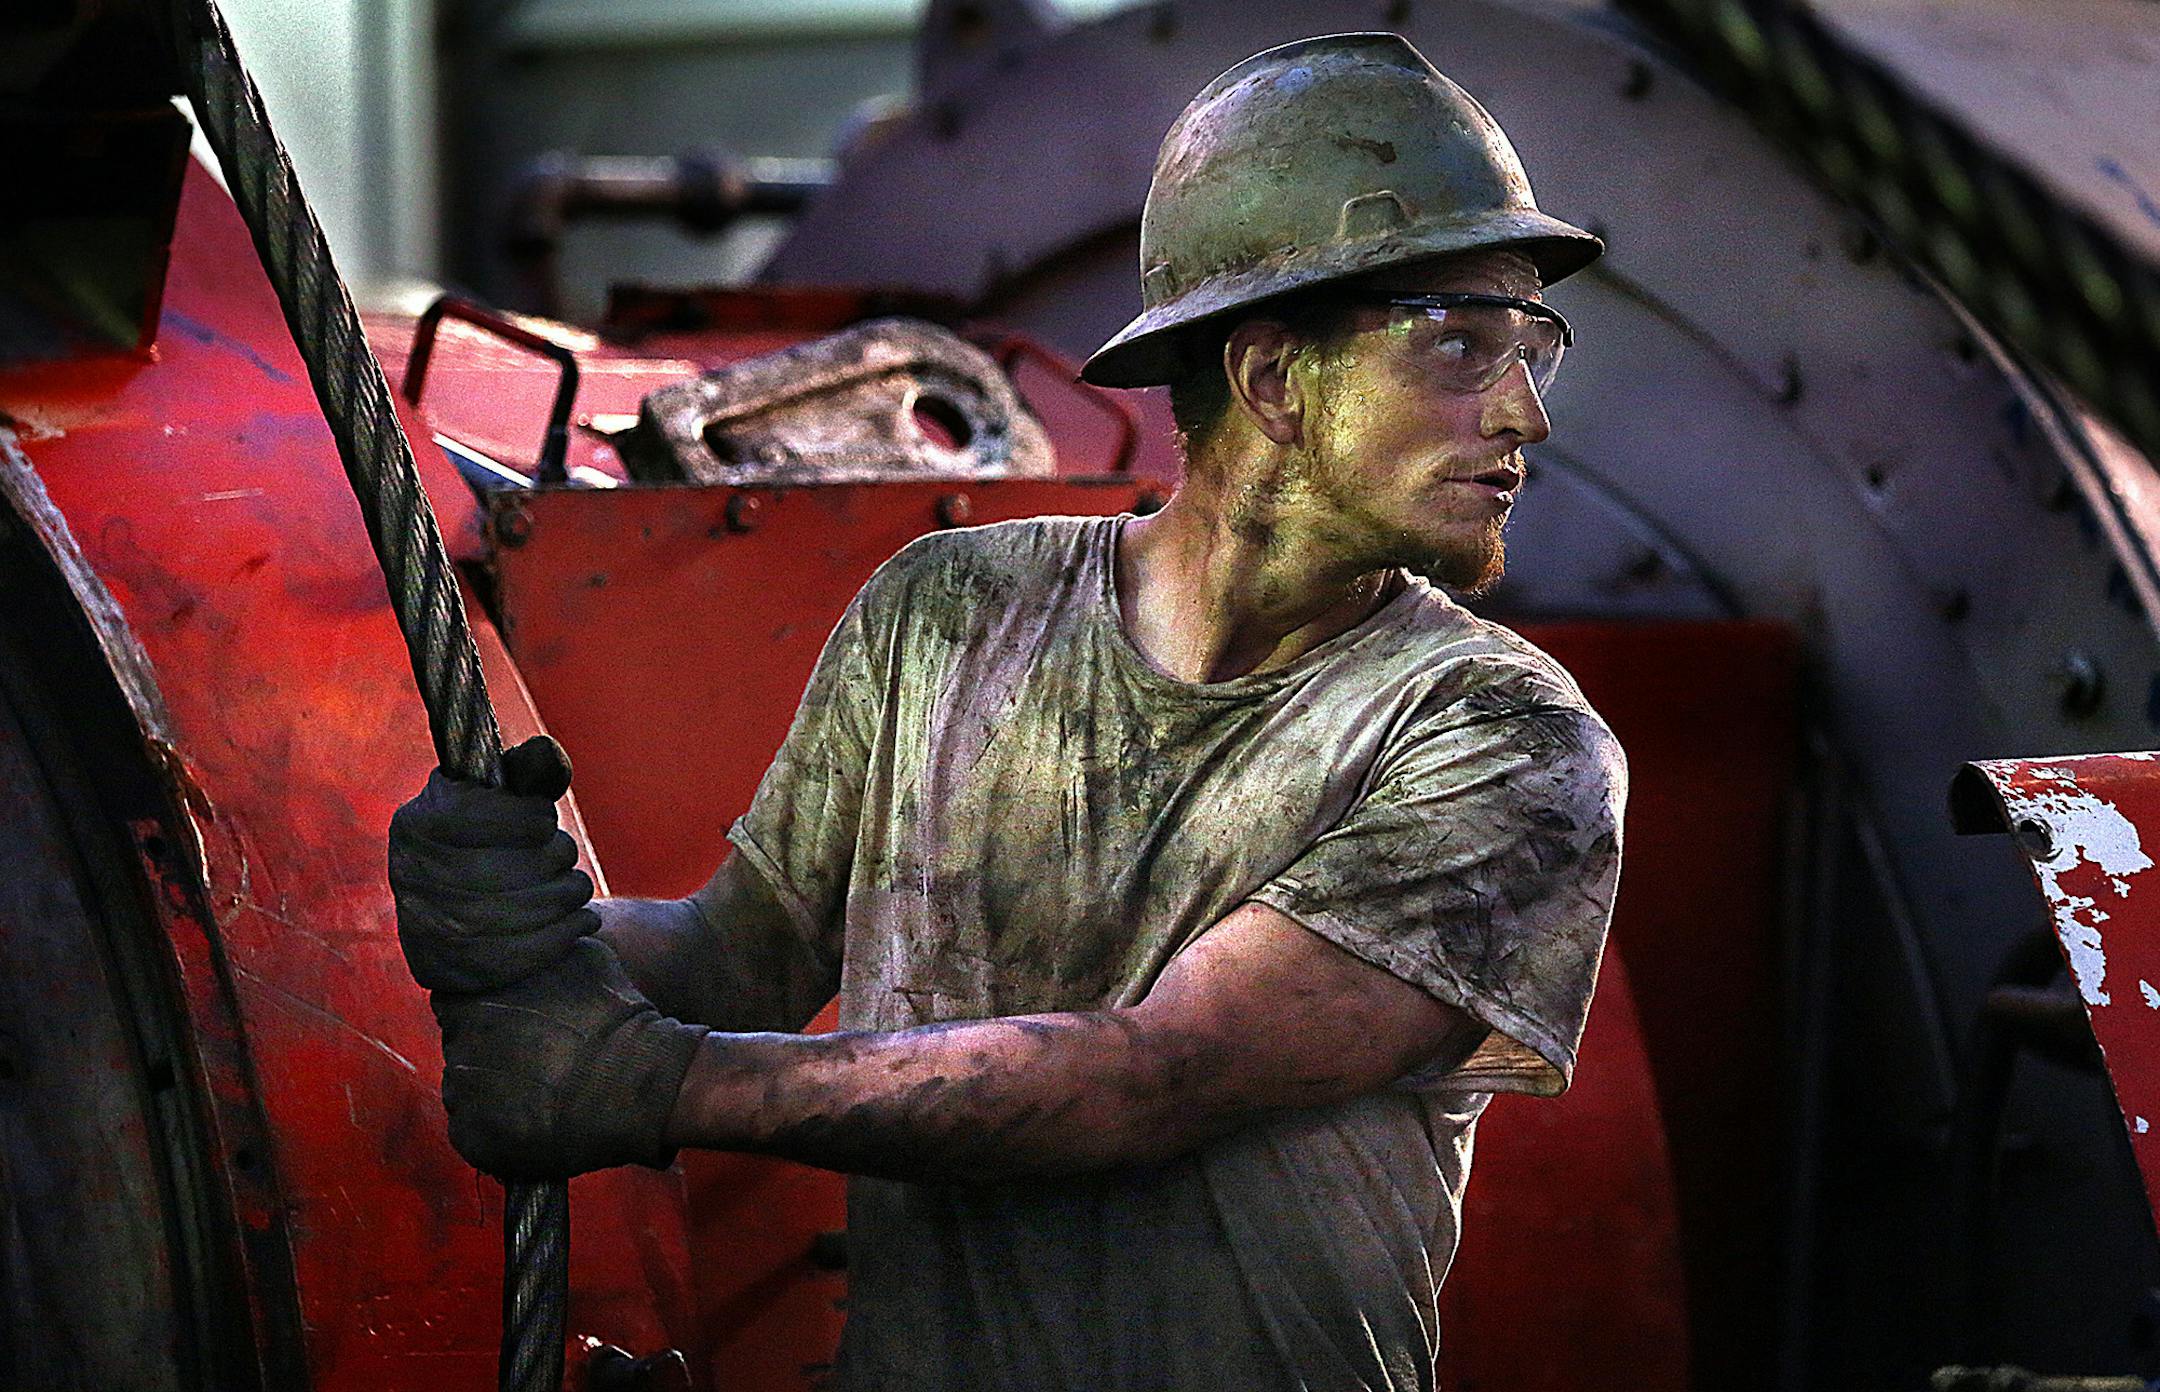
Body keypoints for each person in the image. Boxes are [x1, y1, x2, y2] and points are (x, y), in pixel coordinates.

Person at [389, 31, 1627, 1391]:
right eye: (1461, 346)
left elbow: (1156, 1078)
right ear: (1272, 379)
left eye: (1533, 348)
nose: (1526, 414)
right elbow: (737, 957)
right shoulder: (950, 609)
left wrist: (651, 1082)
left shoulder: (1501, 740)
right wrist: (541, 938)